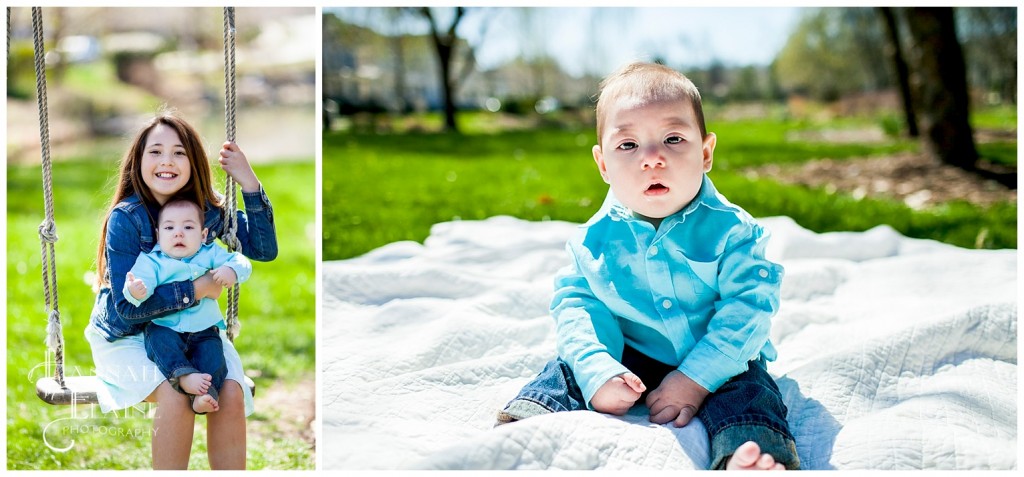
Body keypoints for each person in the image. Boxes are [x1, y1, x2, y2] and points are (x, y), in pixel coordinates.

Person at [496, 62, 799, 471]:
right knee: (567, 368)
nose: (652, 158)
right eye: (628, 145)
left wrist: (694, 380)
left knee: (750, 392)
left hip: (719, 357)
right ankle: (524, 431)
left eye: (673, 139)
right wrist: (598, 369)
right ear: (603, 164)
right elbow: (579, 309)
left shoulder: (733, 232)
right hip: (631, 355)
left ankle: (750, 455)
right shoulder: (593, 241)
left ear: (705, 152)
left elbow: (748, 311)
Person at [86, 111, 278, 469]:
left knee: (231, 394)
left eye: (178, 153)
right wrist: (199, 288)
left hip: (195, 329)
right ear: (138, 162)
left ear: (193, 162)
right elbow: (128, 309)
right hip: (130, 336)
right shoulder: (126, 219)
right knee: (177, 395)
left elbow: (264, 250)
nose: (167, 162)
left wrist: (248, 182)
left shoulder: (206, 211)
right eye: (155, 152)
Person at [124, 198, 253, 415]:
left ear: (203, 235)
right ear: (158, 234)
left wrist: (232, 270)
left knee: (214, 358)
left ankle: (204, 396)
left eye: (188, 227)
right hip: (165, 327)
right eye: (169, 227)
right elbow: (138, 285)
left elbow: (241, 261)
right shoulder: (152, 261)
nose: (178, 233)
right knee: (160, 345)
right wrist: (135, 291)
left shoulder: (209, 253)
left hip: (204, 329)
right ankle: (183, 377)